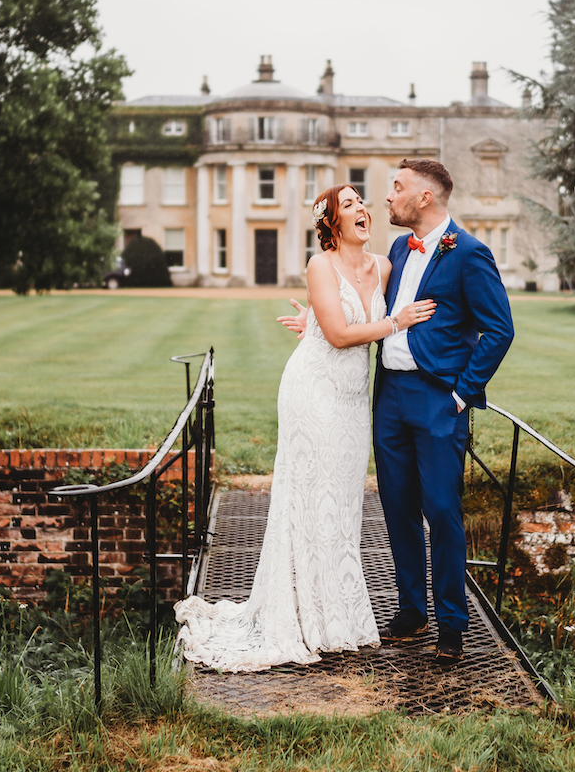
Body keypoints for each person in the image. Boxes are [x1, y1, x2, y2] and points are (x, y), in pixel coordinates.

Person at [172, 184, 436, 672]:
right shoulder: (320, 265)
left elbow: (353, 316)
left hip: (355, 399)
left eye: (362, 202)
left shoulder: (384, 266)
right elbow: (338, 336)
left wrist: (315, 315)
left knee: (343, 501)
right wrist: (391, 323)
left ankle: (338, 613)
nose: (362, 208)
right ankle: (304, 615)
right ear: (333, 223)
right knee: (310, 497)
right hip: (313, 389)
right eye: (350, 204)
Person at [282, 160, 514, 663]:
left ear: (425, 198)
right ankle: (412, 610)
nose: (386, 198)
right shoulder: (394, 253)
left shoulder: (470, 254)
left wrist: (461, 393)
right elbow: (357, 309)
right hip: (387, 397)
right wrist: (317, 324)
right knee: (398, 506)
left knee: (443, 510)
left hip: (437, 398)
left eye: (397, 188)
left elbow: (500, 330)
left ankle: (452, 622)